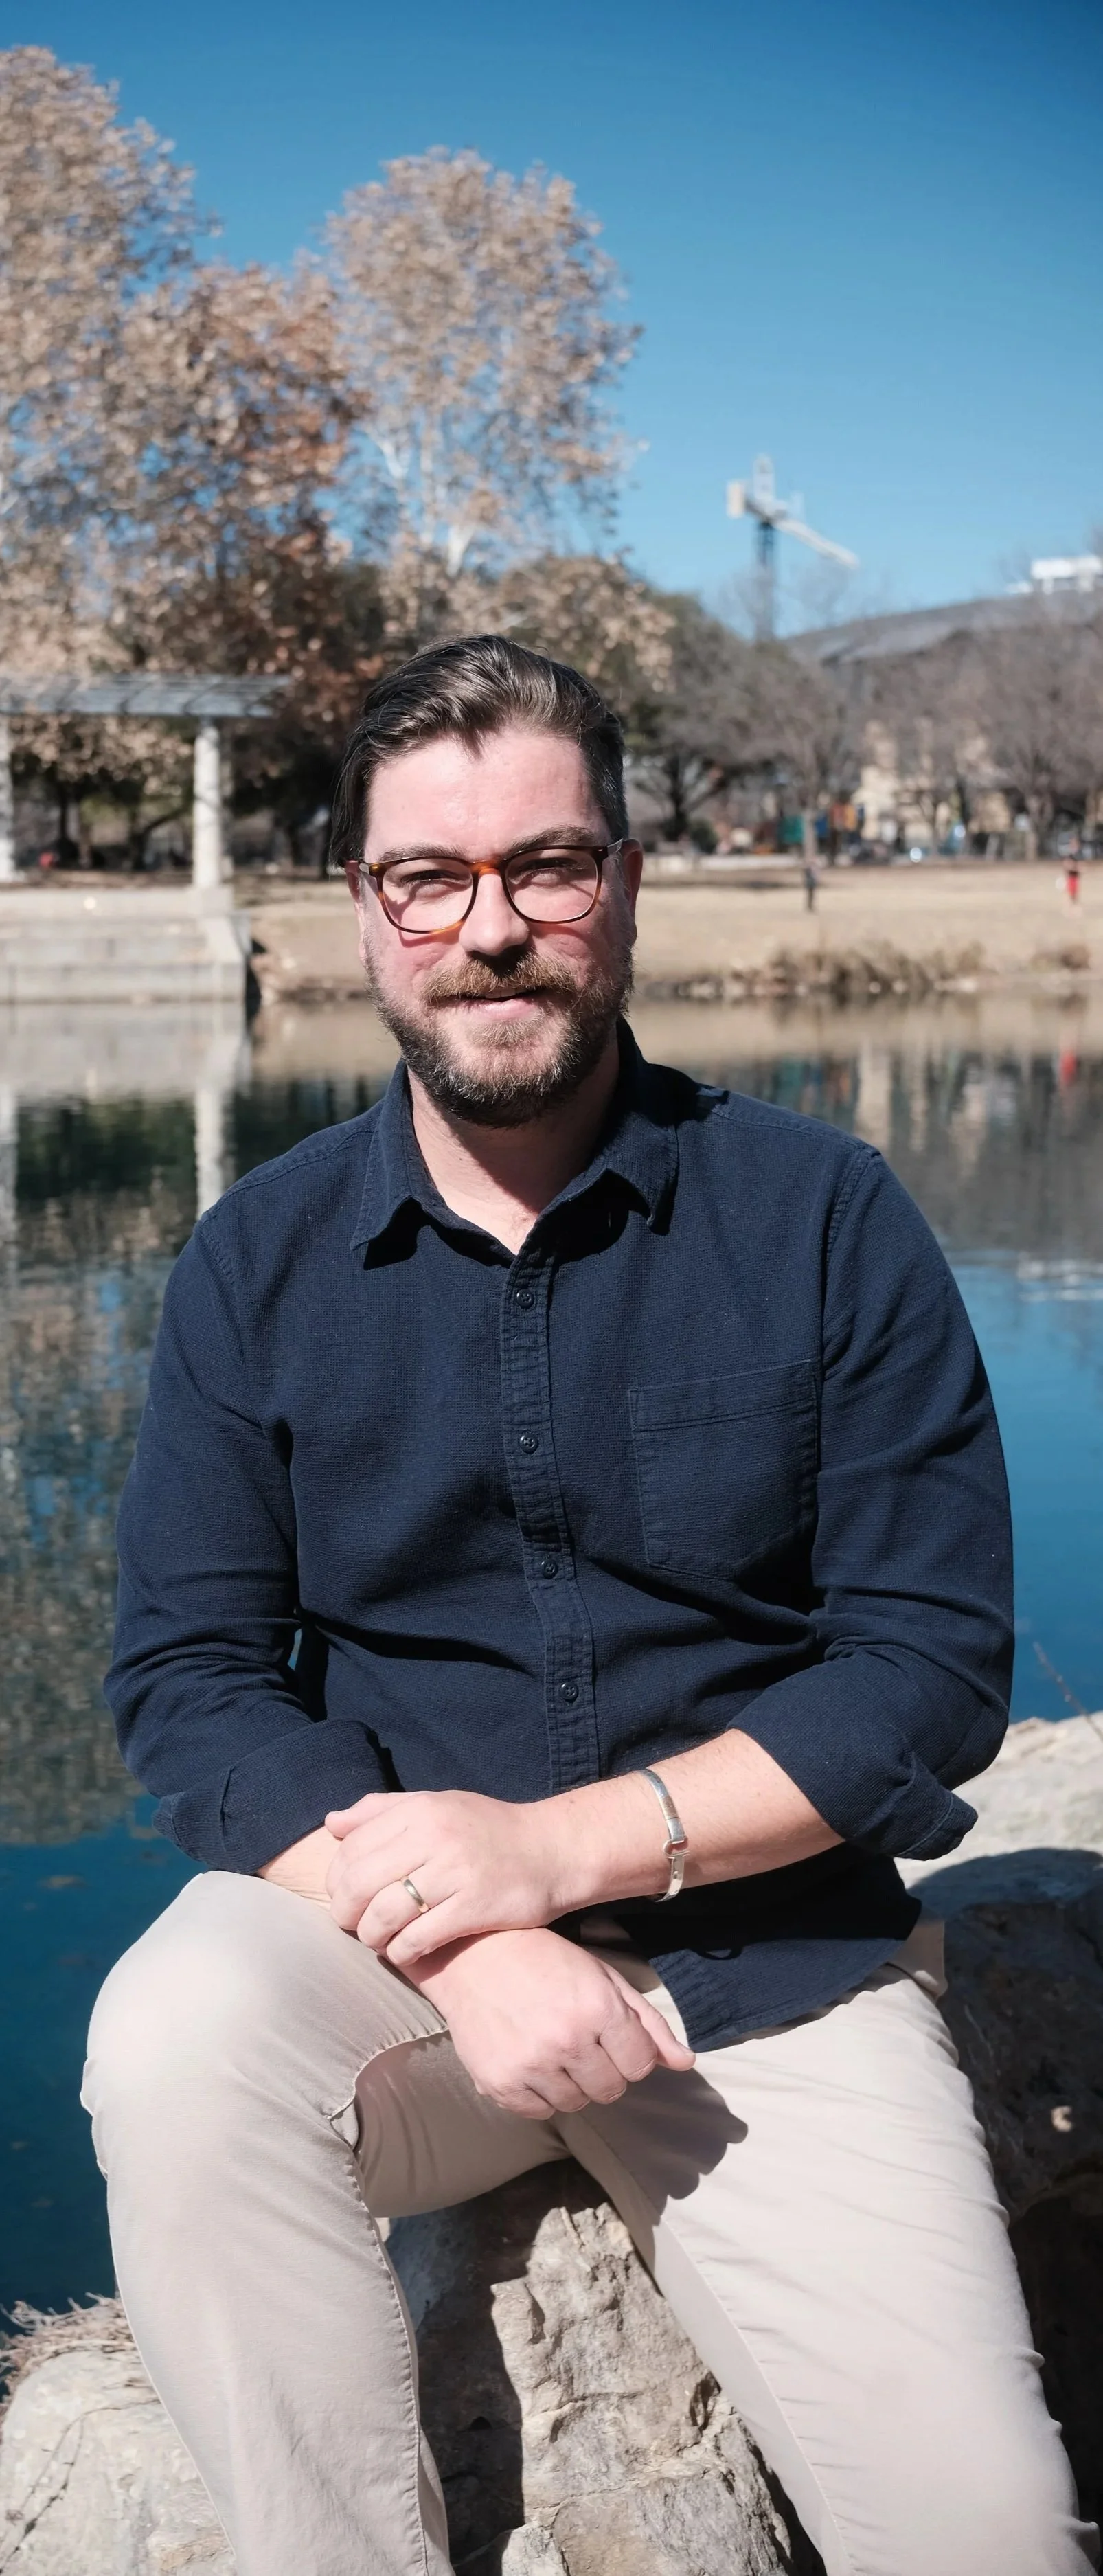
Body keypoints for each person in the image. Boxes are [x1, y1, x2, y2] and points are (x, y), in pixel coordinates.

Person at [82, 637, 1097, 2576]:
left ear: (624, 881)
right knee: (176, 2032)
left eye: (545, 865)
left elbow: (923, 1668)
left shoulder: (824, 1216)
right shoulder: (256, 1259)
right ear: (364, 910)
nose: (491, 929)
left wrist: (552, 1854)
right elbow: (193, 1679)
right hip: (405, 1974)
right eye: (429, 878)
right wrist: (474, 1937)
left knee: (987, 2531)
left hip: (769, 1973)